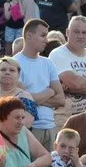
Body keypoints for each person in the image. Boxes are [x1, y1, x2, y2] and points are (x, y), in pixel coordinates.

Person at [14, 19, 65, 149]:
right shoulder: (14, 64)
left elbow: (61, 100)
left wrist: (34, 98)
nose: (46, 40)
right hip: (29, 128)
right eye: (42, 35)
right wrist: (49, 92)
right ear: (29, 36)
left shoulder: (48, 63)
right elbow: (23, 100)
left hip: (50, 127)